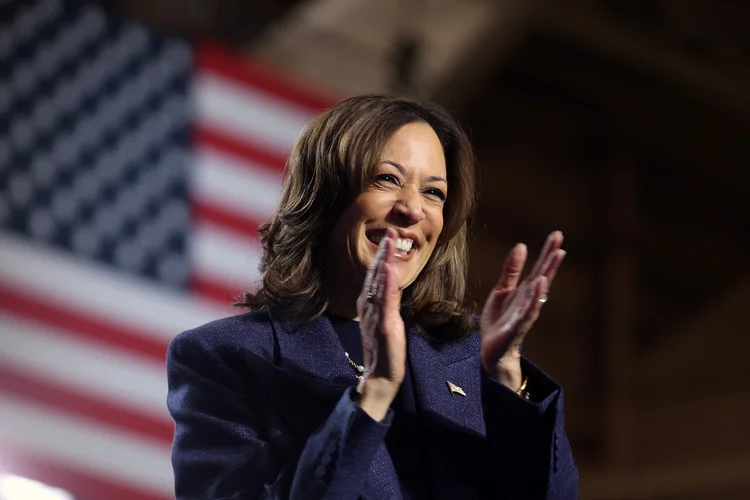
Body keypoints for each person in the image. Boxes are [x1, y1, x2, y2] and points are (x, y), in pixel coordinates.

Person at [167, 94, 578, 499]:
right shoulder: (224, 357)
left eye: (433, 192)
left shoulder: (470, 355)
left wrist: (507, 373)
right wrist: (375, 393)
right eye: (387, 179)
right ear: (326, 194)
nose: (413, 209)